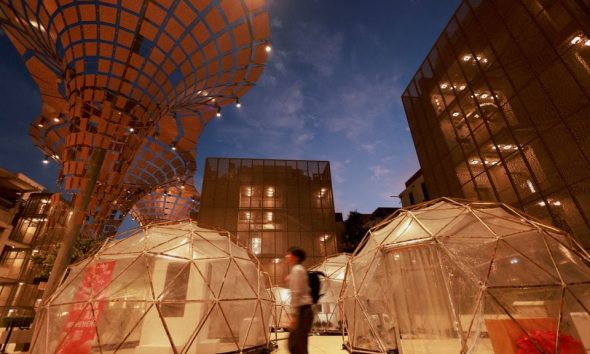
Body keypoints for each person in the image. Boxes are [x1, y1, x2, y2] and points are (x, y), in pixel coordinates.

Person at [285, 246, 313, 354]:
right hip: (304, 310)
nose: (286, 256)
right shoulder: (299, 270)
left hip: (302, 311)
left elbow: (296, 293)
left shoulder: (297, 270)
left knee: (297, 346)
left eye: (289, 254)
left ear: (296, 257)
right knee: (297, 344)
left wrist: (293, 315)